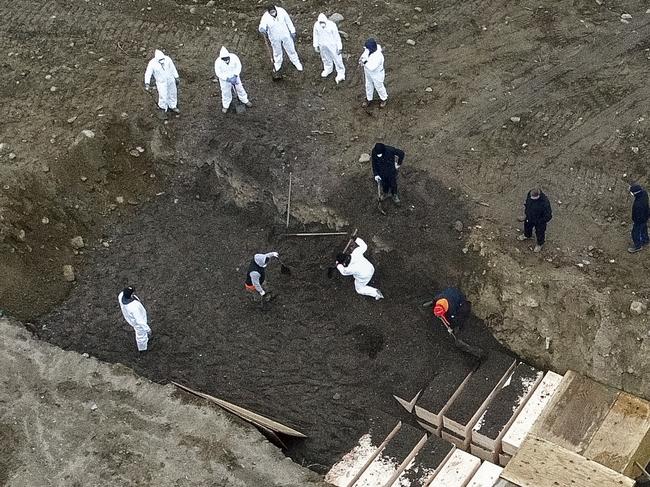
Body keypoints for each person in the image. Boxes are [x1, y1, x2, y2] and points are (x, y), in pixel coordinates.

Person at [258, 5, 303, 73]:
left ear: (275, 9)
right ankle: (278, 64)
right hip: (274, 37)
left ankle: (296, 62)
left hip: (285, 34)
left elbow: (288, 21)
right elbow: (262, 25)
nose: (273, 13)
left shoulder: (282, 11)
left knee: (291, 49)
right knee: (277, 51)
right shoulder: (265, 17)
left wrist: (292, 31)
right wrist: (262, 28)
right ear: (268, 12)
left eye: (274, 11)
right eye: (271, 12)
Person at [214, 46, 252, 114]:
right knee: (225, 92)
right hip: (225, 80)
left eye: (226, 58)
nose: (226, 60)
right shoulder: (218, 62)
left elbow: (239, 66)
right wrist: (227, 79)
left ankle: (244, 100)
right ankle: (226, 105)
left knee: (239, 88)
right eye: (224, 59)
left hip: (235, 76)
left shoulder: (234, 57)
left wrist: (235, 75)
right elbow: (218, 73)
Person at [144, 49, 180, 114]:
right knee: (163, 96)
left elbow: (173, 68)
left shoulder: (167, 59)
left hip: (170, 79)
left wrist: (176, 77)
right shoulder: (152, 63)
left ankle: (173, 106)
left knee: (173, 93)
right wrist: (147, 83)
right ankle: (163, 109)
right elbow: (148, 73)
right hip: (161, 82)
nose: (162, 61)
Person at [312, 13, 345, 83]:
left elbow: (337, 36)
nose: (322, 24)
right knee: (325, 57)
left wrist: (339, 47)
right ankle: (328, 68)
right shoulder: (316, 25)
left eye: (323, 22)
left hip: (332, 45)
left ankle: (341, 72)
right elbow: (315, 35)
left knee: (337, 58)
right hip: (322, 45)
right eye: (320, 22)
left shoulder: (332, 25)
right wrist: (316, 45)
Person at [517, 188, 552, 252]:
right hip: (529, 217)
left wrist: (540, 221)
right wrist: (527, 214)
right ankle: (527, 235)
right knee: (527, 226)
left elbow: (548, 216)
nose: (531, 198)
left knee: (540, 233)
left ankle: (540, 244)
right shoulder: (530, 193)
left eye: (533, 197)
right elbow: (527, 203)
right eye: (531, 197)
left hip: (539, 221)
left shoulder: (545, 203)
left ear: (538, 196)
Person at [118, 286, 151, 352]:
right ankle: (142, 349)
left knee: (142, 333)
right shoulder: (133, 307)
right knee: (141, 336)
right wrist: (148, 329)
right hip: (137, 323)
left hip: (131, 318)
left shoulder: (121, 295)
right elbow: (139, 321)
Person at [358, 38, 387, 108]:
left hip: (376, 74)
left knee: (379, 87)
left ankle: (384, 98)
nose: (366, 49)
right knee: (368, 85)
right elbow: (364, 55)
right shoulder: (368, 50)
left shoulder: (379, 56)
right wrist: (361, 59)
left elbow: (372, 67)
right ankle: (369, 98)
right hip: (368, 73)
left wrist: (364, 63)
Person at [628, 183, 649, 253]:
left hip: (639, 220)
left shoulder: (638, 205)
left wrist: (635, 220)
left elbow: (637, 215)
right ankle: (645, 240)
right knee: (644, 228)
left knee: (635, 233)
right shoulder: (644, 194)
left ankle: (638, 246)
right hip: (646, 215)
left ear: (636, 193)